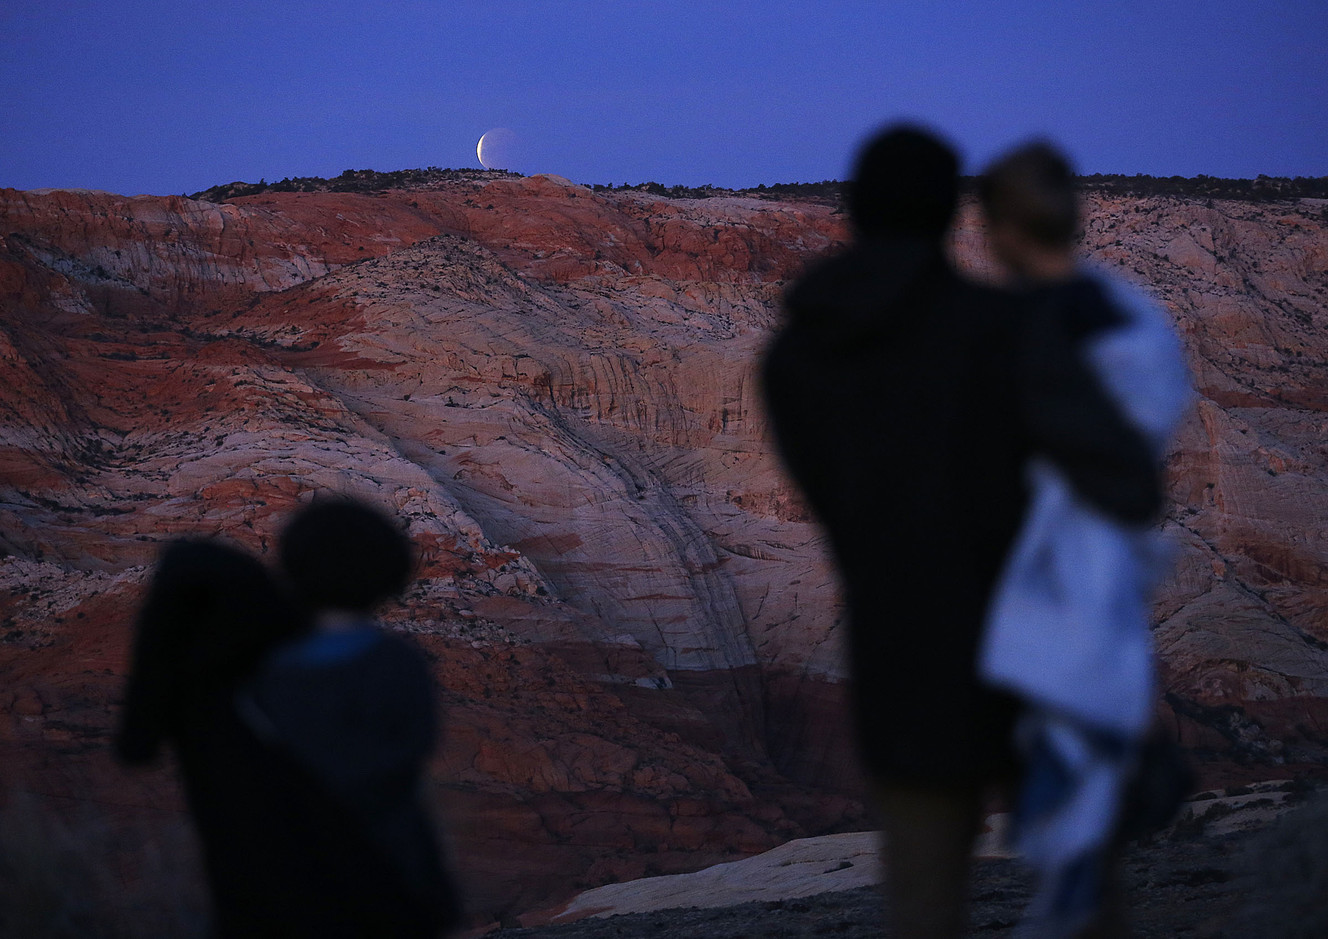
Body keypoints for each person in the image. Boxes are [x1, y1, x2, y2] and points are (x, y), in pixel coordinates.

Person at [762, 125, 1162, 939]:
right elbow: (1126, 479)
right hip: (1037, 657)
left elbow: (837, 501)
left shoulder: (793, 360)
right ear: (954, 213)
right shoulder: (1005, 332)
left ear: (856, 210)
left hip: (900, 661)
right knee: (1084, 902)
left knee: (920, 909)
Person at [977, 141, 1192, 938]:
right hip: (1109, 587)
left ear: (997, 227)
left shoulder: (1020, 333)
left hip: (1049, 599)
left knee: (1071, 824)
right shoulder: (1138, 316)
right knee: (1091, 819)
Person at [118, 502, 459, 938]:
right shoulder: (394, 664)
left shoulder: (246, 674)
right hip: (384, 893)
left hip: (269, 901)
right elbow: (412, 748)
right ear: (391, 575)